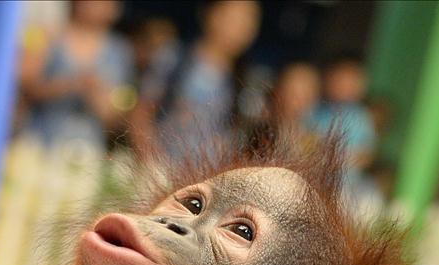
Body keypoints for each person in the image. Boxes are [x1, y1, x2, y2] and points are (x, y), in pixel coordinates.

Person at [131, 0, 261, 160]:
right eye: (235, 17)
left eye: (251, 19)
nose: (243, 27)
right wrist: (152, 161)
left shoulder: (248, 78)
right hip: (168, 166)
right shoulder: (173, 58)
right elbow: (141, 114)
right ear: (210, 14)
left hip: (216, 172)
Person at [18, 0, 133, 150]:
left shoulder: (120, 50)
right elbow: (24, 85)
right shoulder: (46, 34)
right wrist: (71, 85)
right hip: (41, 141)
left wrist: (99, 98)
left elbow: (118, 115)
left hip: (89, 147)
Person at [307, 53, 381, 205]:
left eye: (350, 83)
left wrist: (344, 159)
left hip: (346, 186)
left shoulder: (360, 118)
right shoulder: (317, 112)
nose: (343, 87)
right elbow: (306, 140)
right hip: (315, 180)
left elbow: (367, 154)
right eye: (339, 80)